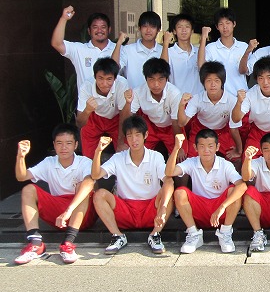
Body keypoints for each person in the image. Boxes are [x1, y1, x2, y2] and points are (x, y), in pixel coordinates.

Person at [62, 116, 174, 255]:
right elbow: (96, 175)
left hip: (151, 210)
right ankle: (117, 236)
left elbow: (168, 181)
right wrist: (98, 151)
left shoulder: (155, 156)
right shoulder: (118, 158)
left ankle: (155, 235)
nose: (134, 140)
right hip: (125, 210)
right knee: (99, 194)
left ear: (145, 135)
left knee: (168, 191)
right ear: (125, 138)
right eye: (129, 135)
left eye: (137, 135)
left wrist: (163, 208)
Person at [14, 124, 96, 265]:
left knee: (83, 187)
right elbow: (22, 177)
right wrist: (21, 156)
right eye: (59, 143)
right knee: (28, 189)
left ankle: (68, 243)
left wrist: (69, 211)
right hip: (59, 215)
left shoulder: (84, 162)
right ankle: (35, 243)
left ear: (76, 145)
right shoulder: (49, 162)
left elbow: (89, 183)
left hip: (82, 215)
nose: (64, 147)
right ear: (54, 145)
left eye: (68, 143)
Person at [165, 130, 247, 254]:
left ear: (217, 147)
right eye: (202, 146)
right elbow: (169, 172)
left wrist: (222, 207)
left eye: (210, 146)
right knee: (180, 192)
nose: (206, 150)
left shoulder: (225, 165)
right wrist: (176, 148)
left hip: (220, 211)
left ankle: (225, 233)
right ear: (195, 148)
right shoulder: (192, 162)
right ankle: (194, 234)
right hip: (199, 208)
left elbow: (242, 186)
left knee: (233, 191)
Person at [178, 61, 243, 161]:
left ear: (222, 82)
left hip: (222, 132)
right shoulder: (197, 99)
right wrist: (181, 105)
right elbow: (182, 123)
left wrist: (239, 151)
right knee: (190, 160)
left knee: (236, 159)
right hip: (200, 131)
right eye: (208, 81)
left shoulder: (232, 100)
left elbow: (234, 128)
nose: (213, 85)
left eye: (217, 80)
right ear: (203, 82)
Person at [121, 58, 184, 159]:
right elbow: (127, 119)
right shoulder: (138, 92)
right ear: (146, 79)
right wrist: (128, 103)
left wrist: (179, 146)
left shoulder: (174, 93)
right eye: (151, 79)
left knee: (180, 157)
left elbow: (175, 121)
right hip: (150, 126)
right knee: (136, 152)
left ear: (167, 79)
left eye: (160, 79)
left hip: (171, 127)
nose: (156, 84)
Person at [233, 56, 270, 159]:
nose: (265, 82)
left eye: (269, 77)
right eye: (261, 78)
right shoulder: (250, 94)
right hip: (257, 132)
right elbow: (236, 119)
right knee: (248, 159)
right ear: (256, 79)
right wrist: (239, 102)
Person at [50, 6, 116, 93]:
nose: (99, 30)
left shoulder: (119, 49)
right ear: (89, 31)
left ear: (109, 30)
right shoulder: (79, 49)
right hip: (86, 101)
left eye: (103, 27)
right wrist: (64, 18)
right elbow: (57, 43)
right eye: (95, 27)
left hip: (113, 101)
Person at [76, 58, 129, 157]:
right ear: (95, 77)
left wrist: (121, 142)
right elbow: (79, 123)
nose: (104, 84)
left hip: (117, 118)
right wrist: (87, 111)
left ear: (115, 78)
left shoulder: (122, 84)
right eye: (100, 78)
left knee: (124, 153)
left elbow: (124, 115)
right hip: (94, 117)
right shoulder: (86, 87)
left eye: (109, 79)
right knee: (87, 157)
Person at [198, 8, 253, 96]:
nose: (225, 27)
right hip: (219, 98)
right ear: (217, 27)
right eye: (221, 24)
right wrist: (204, 37)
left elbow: (246, 71)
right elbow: (201, 66)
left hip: (241, 95)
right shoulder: (211, 48)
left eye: (228, 23)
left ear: (234, 24)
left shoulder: (244, 47)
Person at [112, 11, 163, 89]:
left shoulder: (163, 51)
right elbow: (112, 69)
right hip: (132, 95)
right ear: (139, 28)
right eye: (145, 26)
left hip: (157, 96)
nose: (148, 30)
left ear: (158, 30)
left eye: (152, 27)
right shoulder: (128, 50)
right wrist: (119, 43)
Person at [161, 13, 202, 96]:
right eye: (180, 27)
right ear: (174, 31)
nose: (184, 30)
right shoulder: (169, 52)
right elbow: (162, 70)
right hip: (177, 100)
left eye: (187, 27)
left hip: (198, 99)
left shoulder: (199, 52)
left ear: (192, 31)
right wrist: (165, 43)